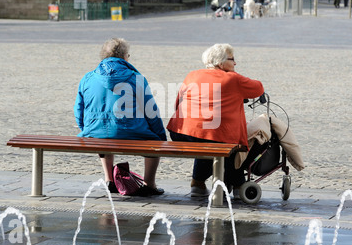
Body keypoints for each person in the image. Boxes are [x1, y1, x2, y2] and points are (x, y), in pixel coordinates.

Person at [167, 44, 264, 196]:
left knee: (208, 138)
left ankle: (197, 184)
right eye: (232, 60)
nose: (235, 63)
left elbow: (177, 103)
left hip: (180, 132)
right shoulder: (233, 79)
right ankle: (238, 186)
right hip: (209, 135)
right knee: (224, 142)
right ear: (221, 63)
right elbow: (258, 88)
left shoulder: (192, 75)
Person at [74, 38, 166, 196]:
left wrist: (87, 129)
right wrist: (160, 136)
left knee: (102, 135)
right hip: (131, 132)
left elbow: (78, 110)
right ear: (124, 56)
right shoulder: (135, 78)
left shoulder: (87, 78)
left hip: (94, 133)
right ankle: (149, 184)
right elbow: (151, 111)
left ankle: (109, 179)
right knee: (154, 141)